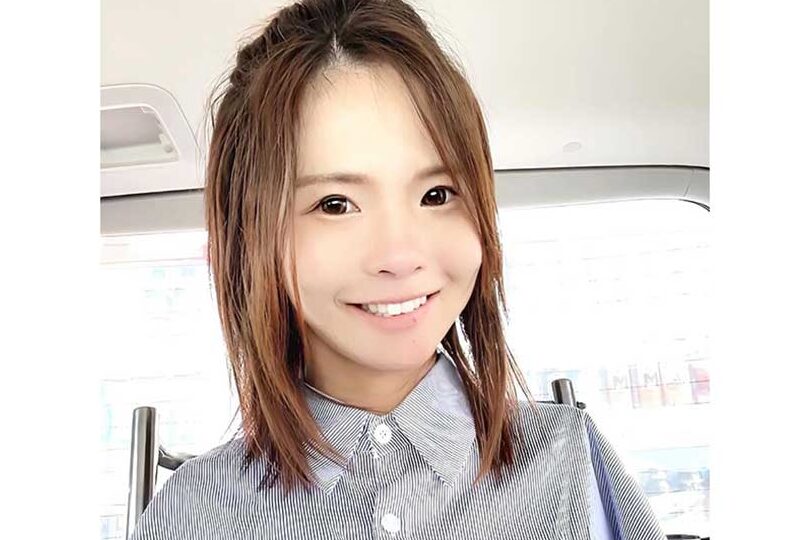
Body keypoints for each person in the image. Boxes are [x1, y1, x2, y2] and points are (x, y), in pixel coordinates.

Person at [130, 0, 666, 538]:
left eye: (437, 194)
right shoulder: (193, 513)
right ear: (248, 238)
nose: (400, 255)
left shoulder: (567, 459)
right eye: (335, 204)